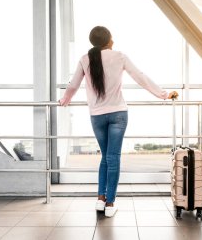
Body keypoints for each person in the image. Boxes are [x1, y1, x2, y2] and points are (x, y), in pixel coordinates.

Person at [59, 26, 178, 217]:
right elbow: (141, 77)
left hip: (97, 115)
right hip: (118, 114)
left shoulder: (85, 59)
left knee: (106, 157)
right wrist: (163, 94)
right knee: (113, 158)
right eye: (111, 37)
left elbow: (73, 84)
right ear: (108, 40)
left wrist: (64, 100)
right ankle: (110, 203)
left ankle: (100, 199)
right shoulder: (119, 56)